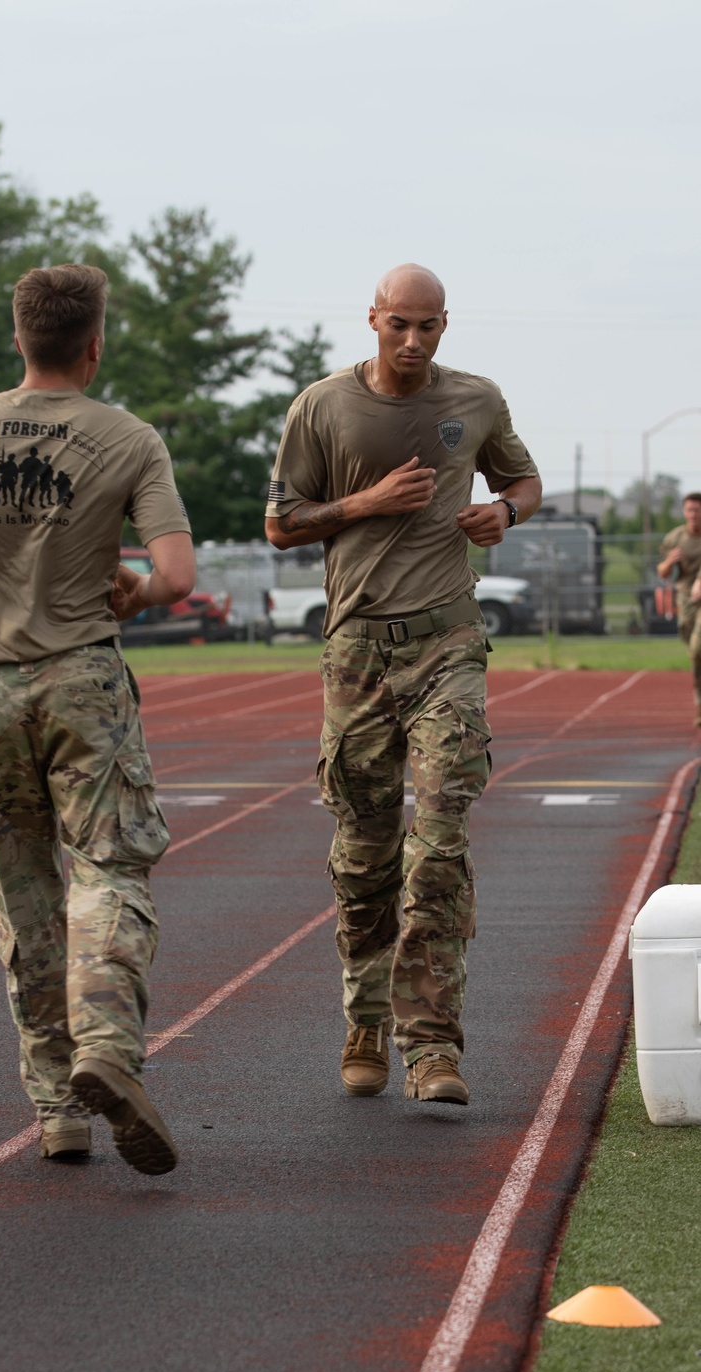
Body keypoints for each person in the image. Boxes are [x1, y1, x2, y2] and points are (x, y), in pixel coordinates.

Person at [0, 263, 195, 1174]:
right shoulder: (130, 439)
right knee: (109, 868)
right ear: (95, 345)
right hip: (83, 682)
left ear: (18, 339)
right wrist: (131, 597)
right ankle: (107, 1046)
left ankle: (58, 1107)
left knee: (24, 895)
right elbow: (175, 577)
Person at [265, 264, 541, 1106]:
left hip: (448, 644)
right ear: (373, 321)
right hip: (357, 654)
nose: (413, 341)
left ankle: (432, 1044)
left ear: (445, 325)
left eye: (428, 326)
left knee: (442, 840)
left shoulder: (477, 401)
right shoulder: (322, 406)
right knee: (365, 853)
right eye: (399, 326)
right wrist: (367, 502)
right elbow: (281, 523)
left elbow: (520, 480)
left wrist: (508, 514)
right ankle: (367, 1017)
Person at [657, 493, 701, 724]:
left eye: (698, 510)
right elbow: (662, 573)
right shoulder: (675, 538)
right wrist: (670, 561)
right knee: (695, 655)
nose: (694, 515)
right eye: (690, 510)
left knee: (698, 645)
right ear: (685, 512)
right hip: (685, 601)